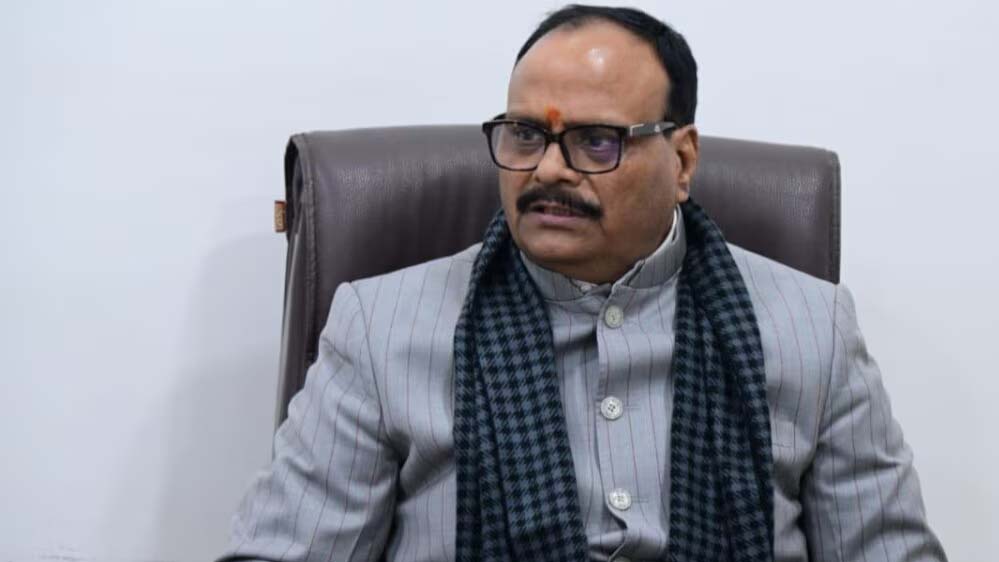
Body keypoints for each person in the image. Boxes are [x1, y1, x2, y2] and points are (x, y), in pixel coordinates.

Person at [219, 5, 946, 561]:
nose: (547, 170)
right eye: (525, 134)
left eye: (596, 141)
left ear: (682, 161)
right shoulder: (379, 328)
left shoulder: (814, 327)